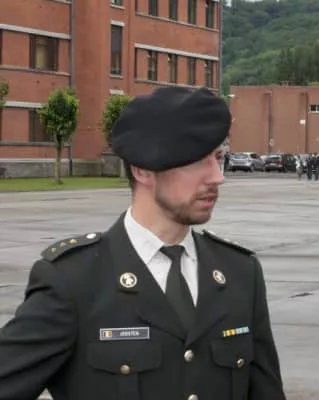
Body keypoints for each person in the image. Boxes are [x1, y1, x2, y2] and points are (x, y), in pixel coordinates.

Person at [0, 87, 286, 400]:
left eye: (218, 158)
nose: (217, 177)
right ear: (143, 170)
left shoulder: (240, 272)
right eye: (197, 161)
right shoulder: (73, 280)